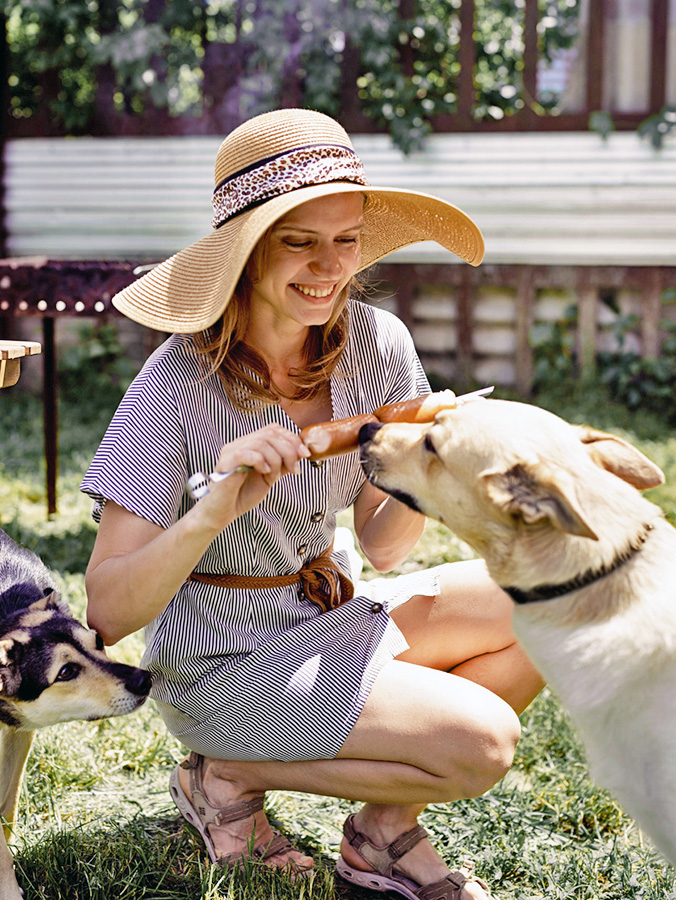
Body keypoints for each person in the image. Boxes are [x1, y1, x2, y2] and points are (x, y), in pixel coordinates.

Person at [81, 108, 544, 900]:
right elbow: (107, 609)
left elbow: (386, 546)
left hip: (330, 620)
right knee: (485, 742)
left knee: (545, 598)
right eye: (300, 241)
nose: (329, 267)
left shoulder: (377, 344)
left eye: (346, 239)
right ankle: (226, 772)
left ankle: (383, 830)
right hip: (219, 665)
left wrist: (420, 461)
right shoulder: (174, 384)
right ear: (246, 251)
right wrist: (213, 509)